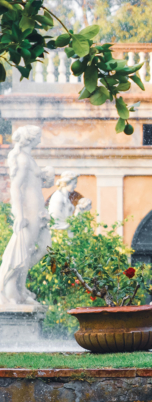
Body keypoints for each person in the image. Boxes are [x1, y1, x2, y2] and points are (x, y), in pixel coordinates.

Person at [0, 126, 55, 306]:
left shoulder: (29, 159)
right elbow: (15, 187)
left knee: (44, 248)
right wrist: (19, 215)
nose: (41, 137)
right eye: (38, 135)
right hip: (29, 213)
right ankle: (13, 290)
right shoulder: (23, 159)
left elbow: (32, 185)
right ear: (31, 138)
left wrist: (45, 178)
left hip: (39, 213)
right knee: (24, 251)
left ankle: (19, 287)